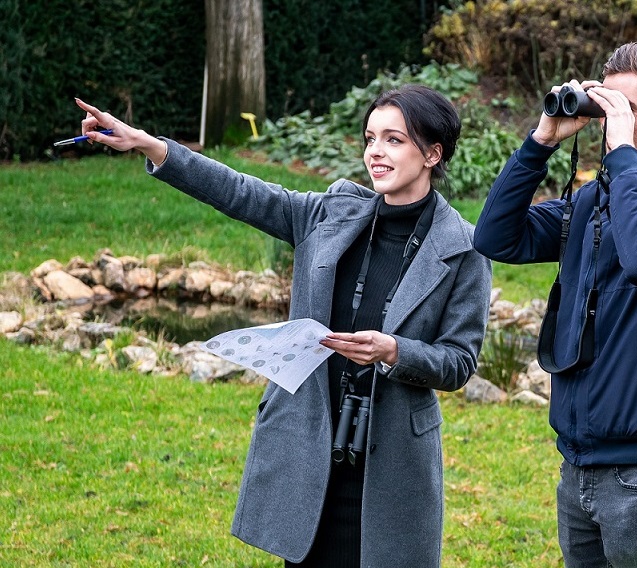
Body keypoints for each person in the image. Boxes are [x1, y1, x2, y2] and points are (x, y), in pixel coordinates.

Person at [74, 84, 492, 567]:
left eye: (393, 140)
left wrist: (395, 352)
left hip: (393, 468)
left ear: (432, 154)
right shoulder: (331, 212)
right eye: (370, 138)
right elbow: (239, 191)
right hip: (309, 455)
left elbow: (458, 362)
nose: (375, 152)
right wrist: (148, 144)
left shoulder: (464, 249)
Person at [473, 42, 637, 567]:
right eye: (606, 106)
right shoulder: (596, 199)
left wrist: (622, 157)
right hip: (579, 465)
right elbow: (497, 237)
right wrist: (540, 142)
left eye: (626, 109)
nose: (609, 121)